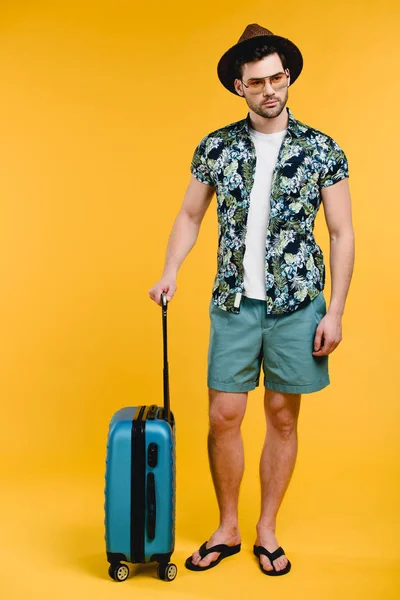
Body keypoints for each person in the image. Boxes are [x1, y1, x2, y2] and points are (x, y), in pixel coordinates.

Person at [148, 23, 355, 576]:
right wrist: (171, 270)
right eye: (258, 81)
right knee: (223, 416)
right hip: (235, 302)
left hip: (298, 304)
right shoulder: (216, 146)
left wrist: (334, 311)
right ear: (239, 86)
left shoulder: (322, 149)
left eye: (278, 79)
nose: (270, 90)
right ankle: (228, 528)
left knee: (283, 419)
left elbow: (341, 233)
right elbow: (191, 215)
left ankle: (266, 528)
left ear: (288, 79)